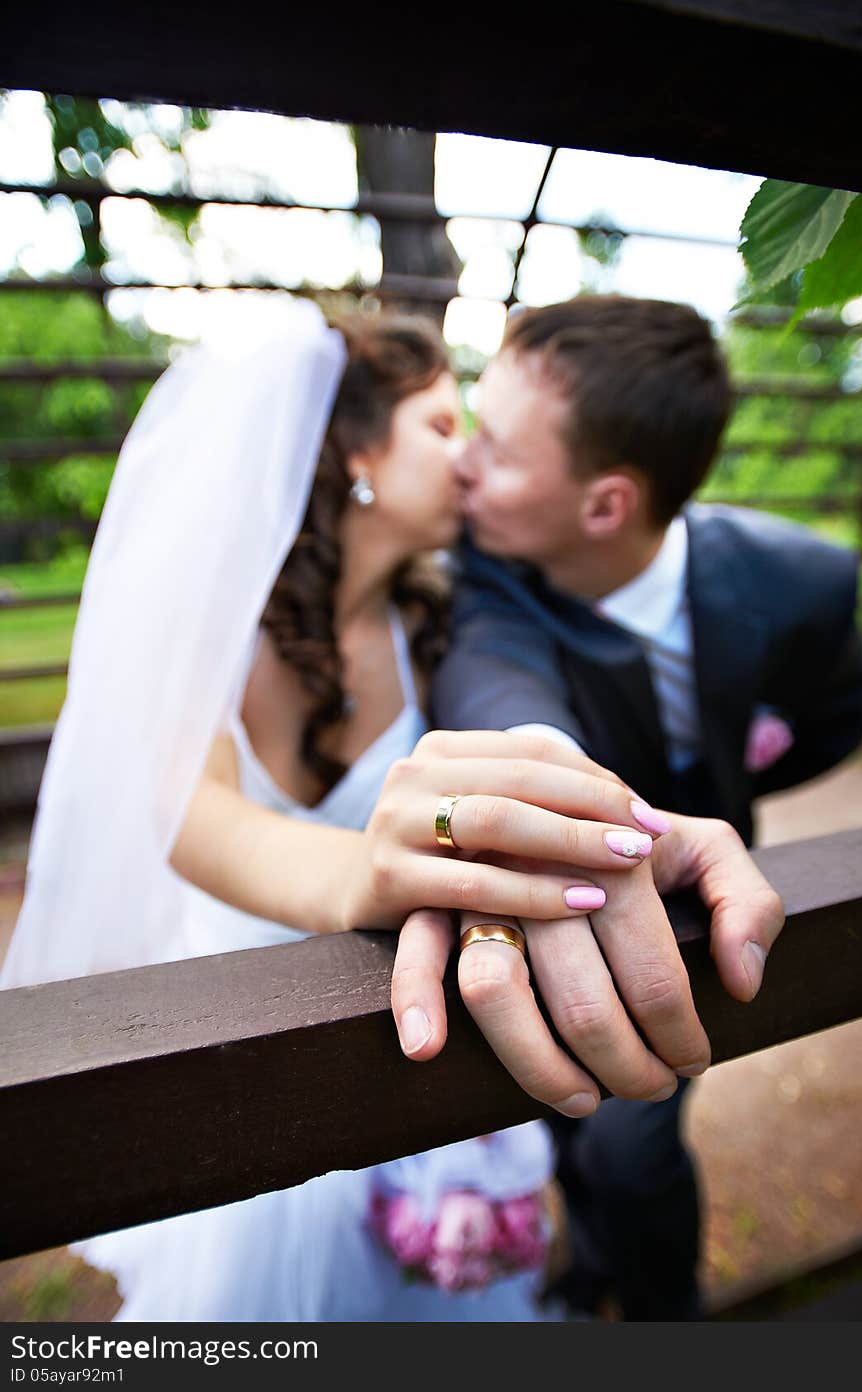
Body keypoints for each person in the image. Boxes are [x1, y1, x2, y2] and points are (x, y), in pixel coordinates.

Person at [0, 297, 722, 1321]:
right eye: (440, 425)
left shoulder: (443, 618)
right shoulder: (205, 636)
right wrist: (364, 873)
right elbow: (187, 820)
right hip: (247, 1058)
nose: (467, 456)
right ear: (354, 456)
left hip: (417, 1055)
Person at [393, 294, 862, 1320]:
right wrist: (560, 793)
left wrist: (729, 795)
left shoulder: (807, 583)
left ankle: (665, 1317)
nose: (464, 464)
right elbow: (497, 682)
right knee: (560, 1108)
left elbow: (835, 719)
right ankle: (591, 1266)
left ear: (606, 504)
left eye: (501, 448)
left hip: (701, 893)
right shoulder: (485, 571)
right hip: (574, 884)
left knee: (628, 1125)